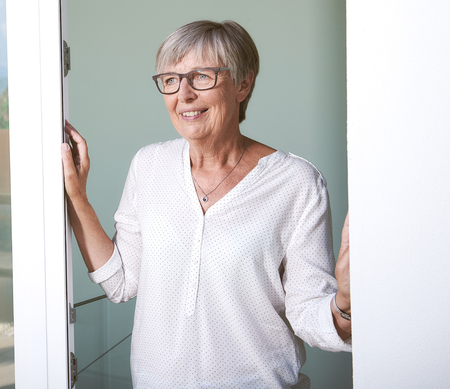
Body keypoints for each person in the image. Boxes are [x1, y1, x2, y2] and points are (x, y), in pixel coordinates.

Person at [61, 20, 351, 389]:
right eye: (170, 79)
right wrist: (77, 197)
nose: (183, 94)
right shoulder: (149, 165)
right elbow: (120, 282)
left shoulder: (296, 182)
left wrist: (344, 305)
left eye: (200, 76)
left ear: (243, 84)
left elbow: (307, 312)